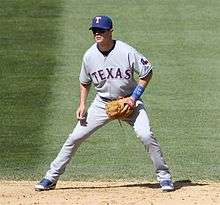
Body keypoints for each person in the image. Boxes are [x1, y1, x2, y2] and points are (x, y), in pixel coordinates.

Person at [35, 15, 174, 192]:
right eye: (94, 30)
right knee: (75, 137)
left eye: (101, 30)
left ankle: (165, 177)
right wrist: (82, 104)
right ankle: (51, 177)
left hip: (129, 101)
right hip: (102, 104)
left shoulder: (126, 51)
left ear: (110, 31)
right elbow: (85, 82)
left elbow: (147, 72)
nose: (97, 33)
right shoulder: (89, 55)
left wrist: (133, 98)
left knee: (146, 135)